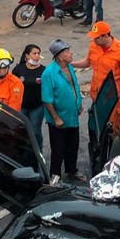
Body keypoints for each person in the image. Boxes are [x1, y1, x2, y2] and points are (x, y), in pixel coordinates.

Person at [72, 21, 120, 135]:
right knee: (98, 126)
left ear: (106, 36)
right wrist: (71, 64)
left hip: (113, 99)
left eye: (97, 38)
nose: (94, 40)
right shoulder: (93, 46)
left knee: (112, 130)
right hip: (97, 96)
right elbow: (87, 62)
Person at [41, 39, 83, 181]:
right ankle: (55, 175)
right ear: (59, 56)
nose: (71, 53)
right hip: (59, 120)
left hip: (72, 117)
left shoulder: (69, 67)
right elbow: (47, 99)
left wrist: (79, 103)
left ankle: (72, 170)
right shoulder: (49, 73)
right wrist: (56, 118)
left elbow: (74, 86)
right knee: (58, 149)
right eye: (67, 51)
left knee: (73, 145)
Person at [12, 44, 46, 151]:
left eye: (38, 53)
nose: (37, 56)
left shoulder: (44, 70)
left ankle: (38, 153)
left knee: (35, 131)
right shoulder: (18, 69)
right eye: (34, 53)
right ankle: (25, 152)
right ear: (27, 56)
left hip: (37, 106)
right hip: (22, 106)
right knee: (22, 131)